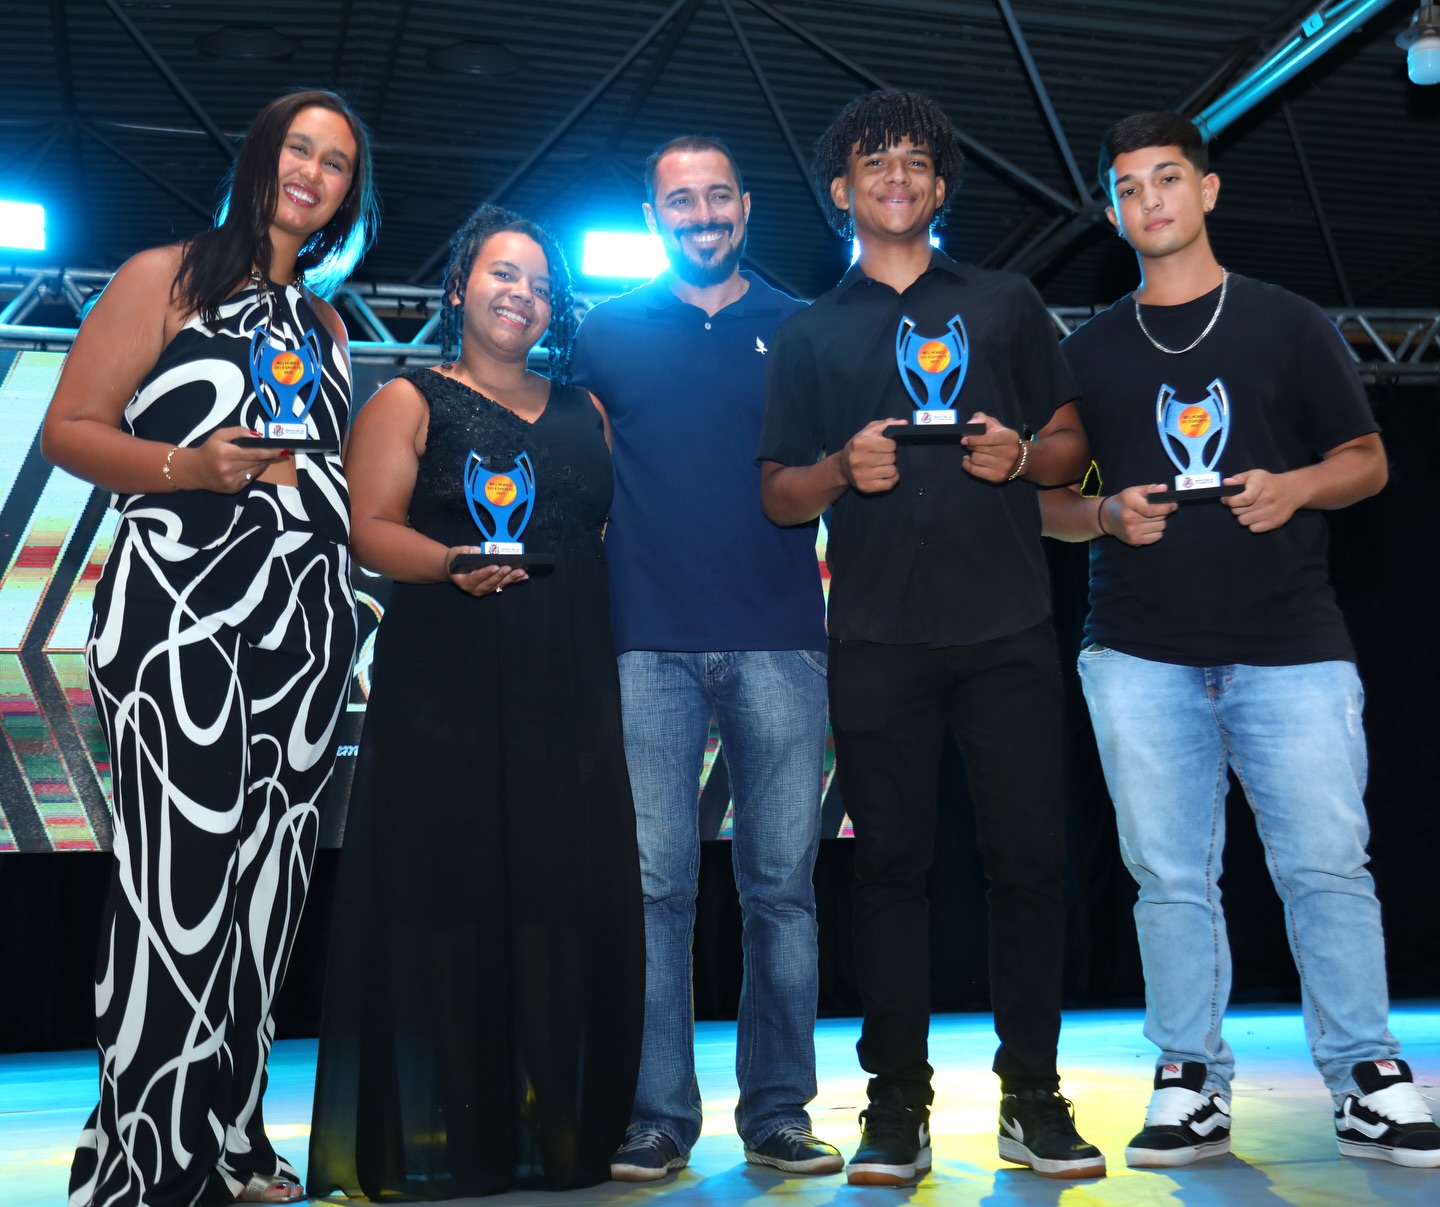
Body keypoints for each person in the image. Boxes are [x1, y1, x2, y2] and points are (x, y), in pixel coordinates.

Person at [1040, 111, 1440, 1170]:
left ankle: (1367, 1075)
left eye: (1167, 178)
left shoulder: (1287, 322)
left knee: (1328, 866)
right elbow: (1044, 503)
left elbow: (1368, 460)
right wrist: (1103, 513)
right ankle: (1189, 1079)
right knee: (1169, 876)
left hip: (1291, 646)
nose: (1150, 200)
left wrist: (1296, 486)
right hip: (1139, 650)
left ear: (1207, 189)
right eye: (1128, 187)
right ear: (1113, 211)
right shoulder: (1087, 351)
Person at [758, 90, 1105, 1185]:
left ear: (941, 185)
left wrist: (1026, 457)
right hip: (877, 640)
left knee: (1031, 865)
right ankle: (895, 1101)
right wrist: (836, 470)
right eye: (875, 162)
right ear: (842, 191)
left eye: (915, 159)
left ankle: (1032, 1094)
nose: (897, 175)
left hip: (1008, 631)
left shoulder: (1006, 301)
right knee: (889, 874)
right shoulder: (809, 330)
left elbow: (1071, 441)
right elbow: (777, 495)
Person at [41, 90, 377, 1205]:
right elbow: (69, 430)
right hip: (178, 623)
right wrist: (190, 467)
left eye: (336, 162)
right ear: (259, 158)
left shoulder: (329, 326)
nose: (313, 172)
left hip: (307, 632)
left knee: (268, 896)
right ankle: (150, 1155)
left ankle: (230, 1135)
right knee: (172, 894)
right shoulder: (166, 277)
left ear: (348, 194)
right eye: (299, 149)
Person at [306, 203, 645, 1199]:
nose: (521, 295)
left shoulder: (587, 410)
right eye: (503, 273)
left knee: (557, 907)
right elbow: (369, 526)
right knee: (454, 907)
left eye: (539, 284)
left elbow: (602, 539)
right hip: (446, 686)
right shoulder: (407, 399)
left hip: (568, 688)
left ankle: (563, 1129)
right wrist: (451, 562)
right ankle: (470, 1138)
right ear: (459, 287)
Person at [569, 136, 837, 1180]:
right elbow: (579, 477)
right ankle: (656, 1116)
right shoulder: (604, 331)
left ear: (746, 205)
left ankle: (778, 1110)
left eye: (717, 195)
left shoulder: (801, 324)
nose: (701, 214)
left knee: (783, 889)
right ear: (653, 216)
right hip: (645, 643)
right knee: (653, 889)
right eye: (679, 201)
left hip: (783, 639)